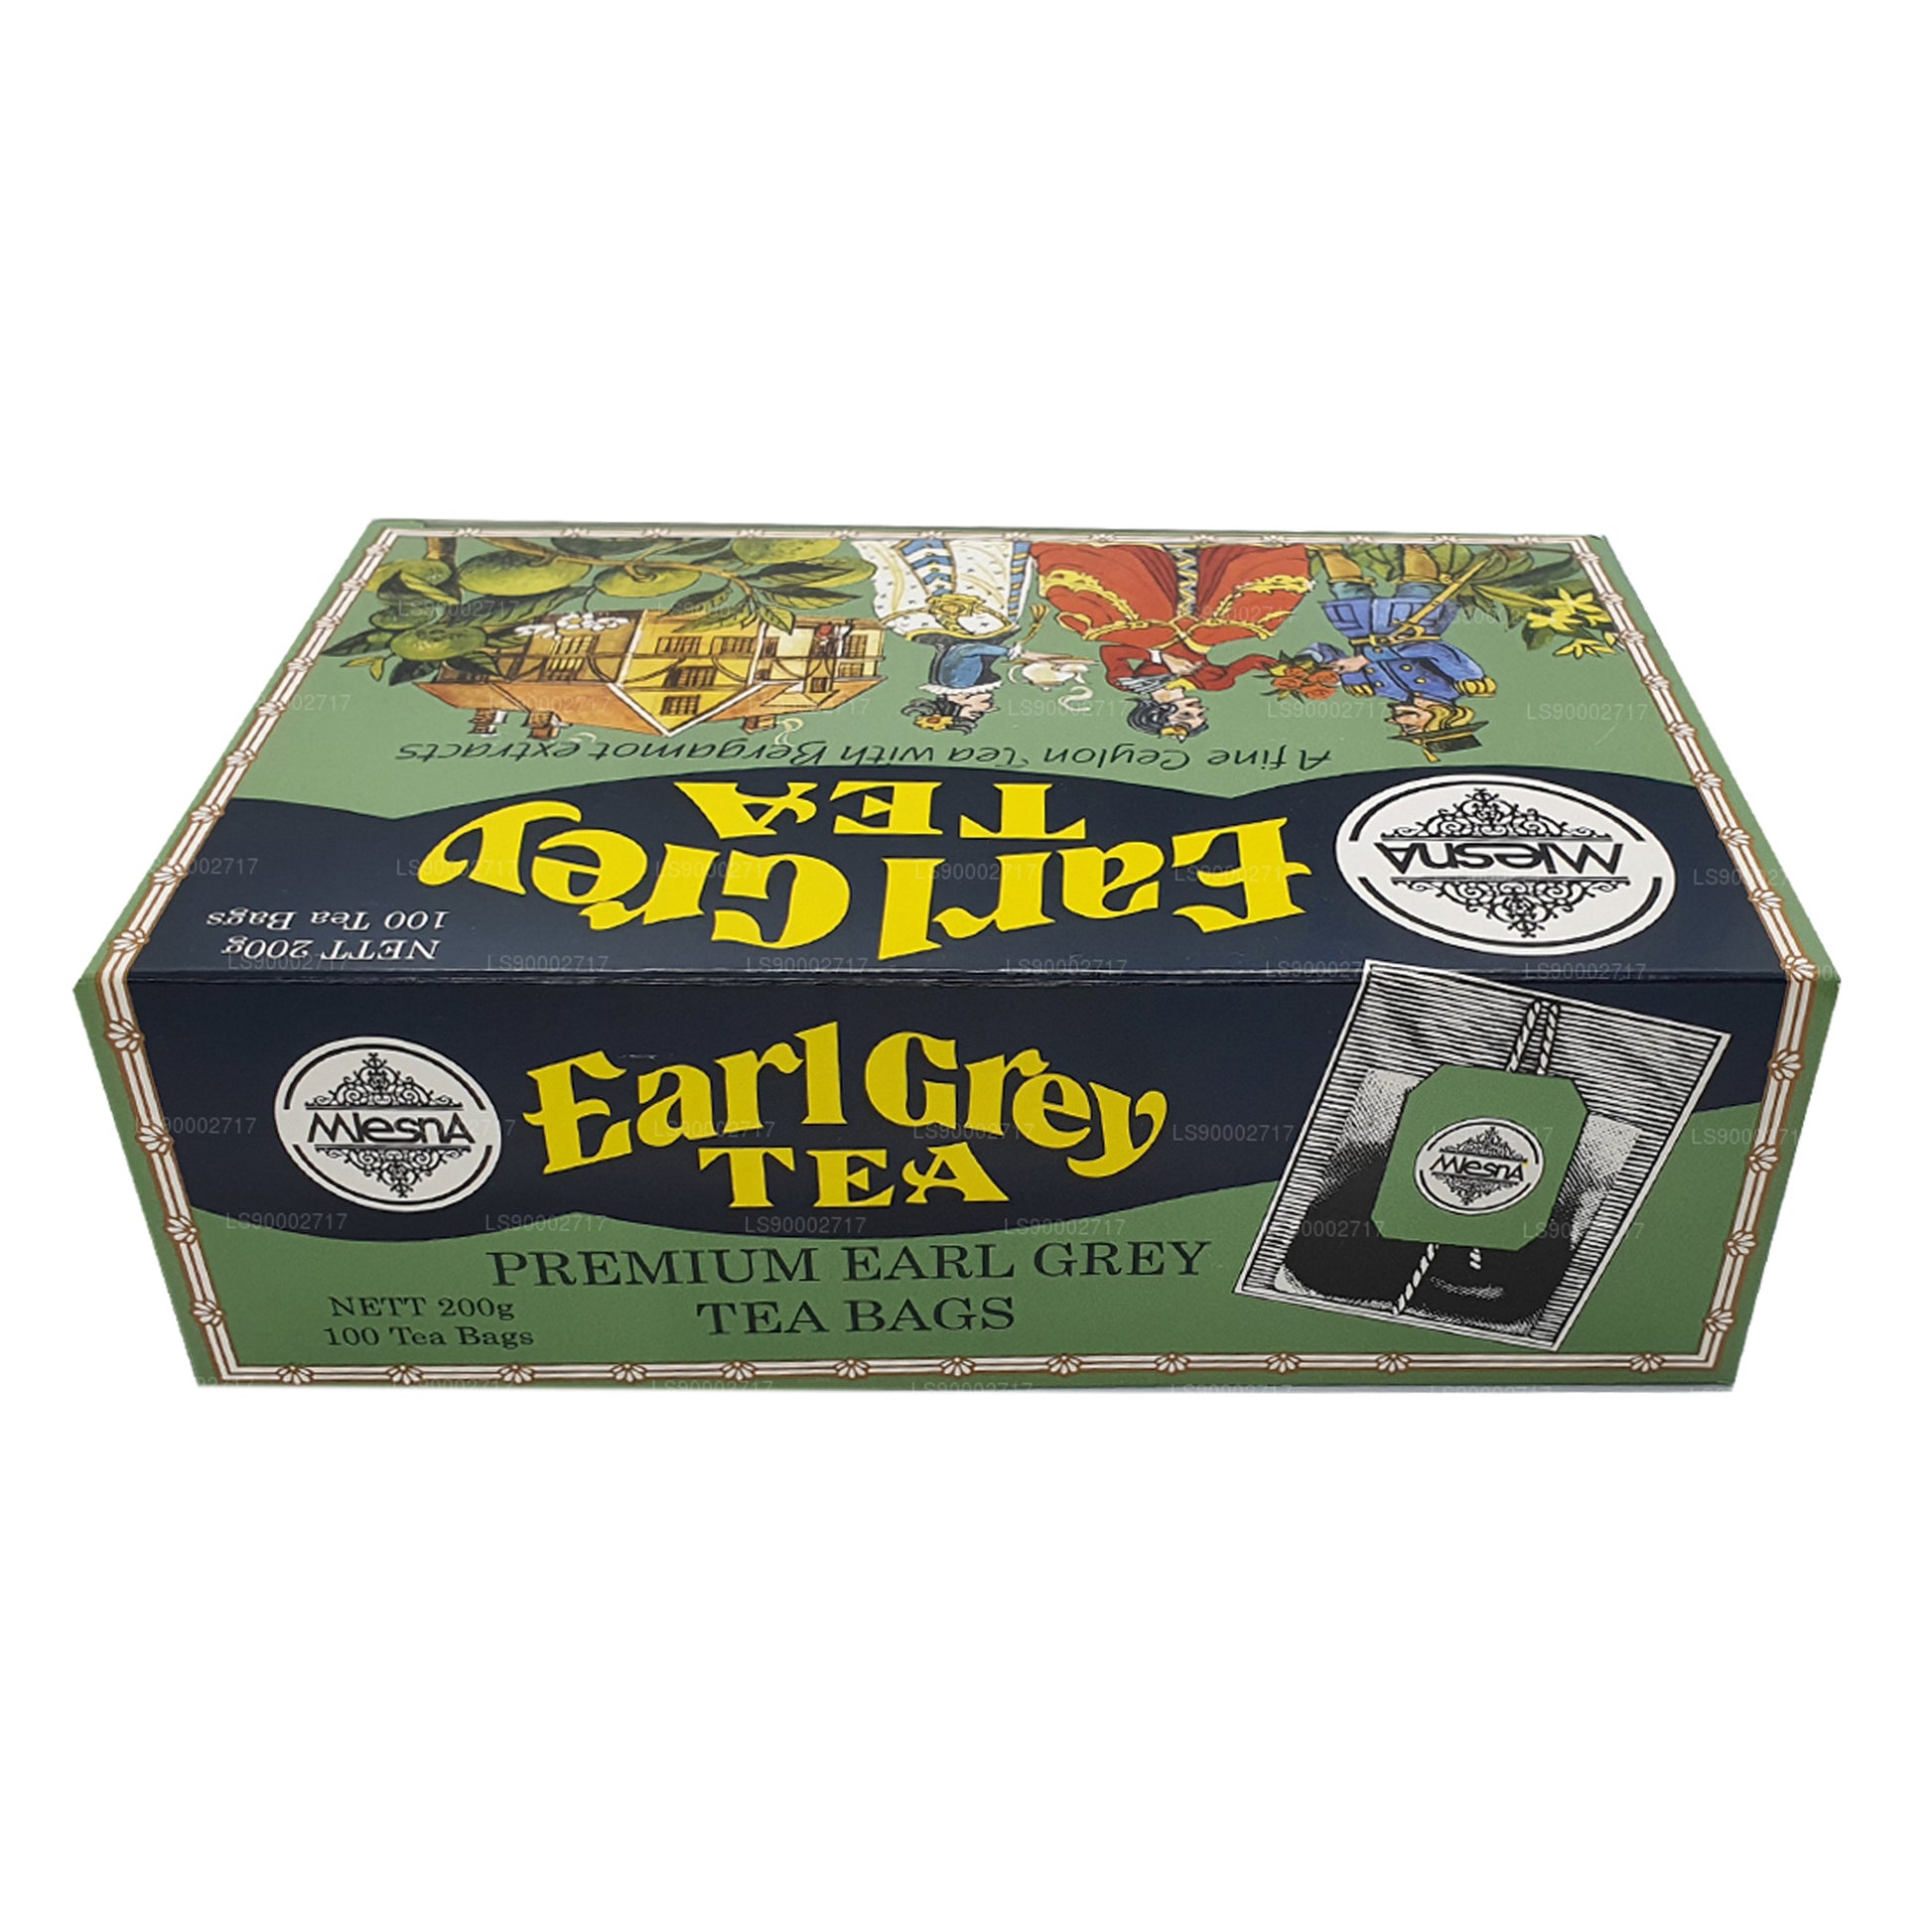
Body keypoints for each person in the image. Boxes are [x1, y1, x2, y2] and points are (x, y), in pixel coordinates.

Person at [1033, 540, 1313, 739]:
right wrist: (1286, 672)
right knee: (1258, 615)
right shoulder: (1215, 683)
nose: (1199, 711)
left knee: (1127, 614)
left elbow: (1111, 653)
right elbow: (1250, 662)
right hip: (1206, 634)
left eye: (1188, 716)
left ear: (1161, 712)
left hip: (1151, 633)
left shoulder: (1127, 682)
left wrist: (1160, 656)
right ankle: (1247, 551)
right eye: (1200, 716)